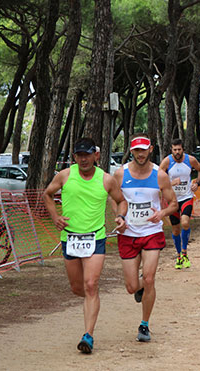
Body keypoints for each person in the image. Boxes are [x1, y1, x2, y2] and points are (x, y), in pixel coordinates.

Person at [42, 138, 128, 354]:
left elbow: (121, 200)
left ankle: (88, 335)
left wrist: (120, 216)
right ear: (74, 157)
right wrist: (55, 217)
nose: (83, 159)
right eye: (79, 155)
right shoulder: (65, 175)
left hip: (95, 238)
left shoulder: (106, 180)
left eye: (87, 154)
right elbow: (47, 194)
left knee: (91, 284)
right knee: (77, 288)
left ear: (95, 156)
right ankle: (93, 301)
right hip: (70, 238)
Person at [113, 134, 178, 342]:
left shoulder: (160, 175)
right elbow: (114, 199)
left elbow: (174, 203)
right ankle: (139, 288)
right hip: (128, 233)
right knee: (132, 286)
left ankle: (144, 325)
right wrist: (119, 217)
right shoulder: (120, 174)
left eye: (144, 150)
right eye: (136, 151)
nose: (140, 154)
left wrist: (162, 214)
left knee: (149, 278)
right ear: (131, 152)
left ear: (150, 149)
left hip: (151, 232)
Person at [159, 138, 200, 269]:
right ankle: (179, 256)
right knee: (176, 229)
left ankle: (185, 252)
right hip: (172, 199)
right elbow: (158, 178)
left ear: (183, 149)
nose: (177, 152)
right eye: (175, 150)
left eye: (179, 149)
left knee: (185, 222)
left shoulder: (190, 160)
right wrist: (171, 183)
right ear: (171, 150)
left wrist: (197, 183)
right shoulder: (167, 161)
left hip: (186, 197)